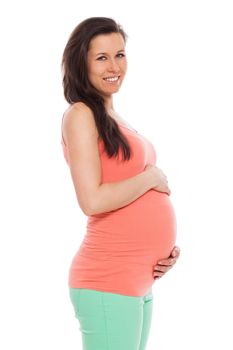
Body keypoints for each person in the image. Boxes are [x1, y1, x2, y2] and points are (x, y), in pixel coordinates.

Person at [60, 16, 180, 350]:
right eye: (102, 57)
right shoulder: (80, 114)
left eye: (120, 54)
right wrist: (149, 178)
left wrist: (161, 251)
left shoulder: (112, 116)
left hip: (136, 280)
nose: (115, 66)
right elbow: (92, 201)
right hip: (107, 279)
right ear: (80, 63)